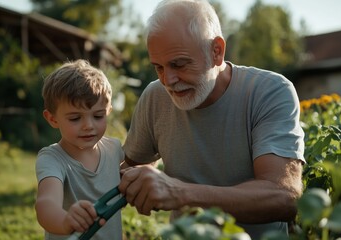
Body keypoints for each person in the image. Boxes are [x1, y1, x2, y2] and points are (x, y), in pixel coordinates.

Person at [118, 0, 305, 239]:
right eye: (159, 68)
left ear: (216, 51)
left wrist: (180, 193)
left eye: (179, 64)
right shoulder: (155, 97)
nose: (168, 80)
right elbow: (129, 168)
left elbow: (284, 196)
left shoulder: (268, 92)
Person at [35, 59, 124, 240]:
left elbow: (134, 171)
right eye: (75, 118)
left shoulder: (114, 149)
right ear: (52, 119)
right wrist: (65, 221)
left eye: (98, 116)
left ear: (108, 111)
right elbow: (46, 204)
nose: (88, 126)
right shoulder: (52, 159)